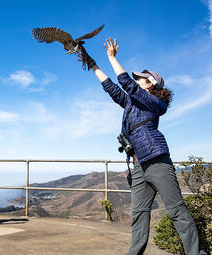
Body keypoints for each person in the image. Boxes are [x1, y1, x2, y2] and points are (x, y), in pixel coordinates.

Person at [80, 38, 202, 255]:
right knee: (139, 215)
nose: (137, 81)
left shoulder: (156, 104)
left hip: (157, 161)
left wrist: (112, 58)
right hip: (138, 167)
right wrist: (92, 63)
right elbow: (112, 88)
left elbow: (126, 85)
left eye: (141, 79)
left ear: (151, 84)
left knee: (176, 211)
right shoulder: (131, 103)